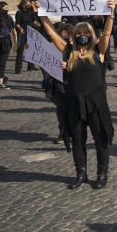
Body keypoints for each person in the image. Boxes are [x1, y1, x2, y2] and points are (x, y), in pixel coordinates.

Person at [39, 0, 116, 189]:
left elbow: (106, 34)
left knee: (100, 139)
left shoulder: (99, 52)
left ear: (91, 35)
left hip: (96, 103)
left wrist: (111, 14)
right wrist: (42, 15)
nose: (82, 36)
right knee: (78, 140)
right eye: (79, 33)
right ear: (74, 36)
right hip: (74, 103)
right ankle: (81, 173)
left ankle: (101, 173)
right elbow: (51, 33)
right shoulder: (68, 52)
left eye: (86, 33)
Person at [43, 22, 73, 152]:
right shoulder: (52, 46)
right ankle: (63, 131)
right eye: (63, 36)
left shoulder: (76, 48)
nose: (65, 39)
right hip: (57, 83)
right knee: (61, 110)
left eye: (67, 36)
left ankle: (71, 131)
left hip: (72, 84)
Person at [13, 0, 39, 74]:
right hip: (23, 32)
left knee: (32, 49)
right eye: (28, 3)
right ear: (24, 5)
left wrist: (37, 24)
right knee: (20, 51)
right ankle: (18, 69)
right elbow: (17, 23)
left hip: (31, 32)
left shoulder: (31, 11)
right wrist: (20, 29)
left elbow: (34, 19)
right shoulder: (19, 13)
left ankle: (30, 66)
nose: (30, 4)